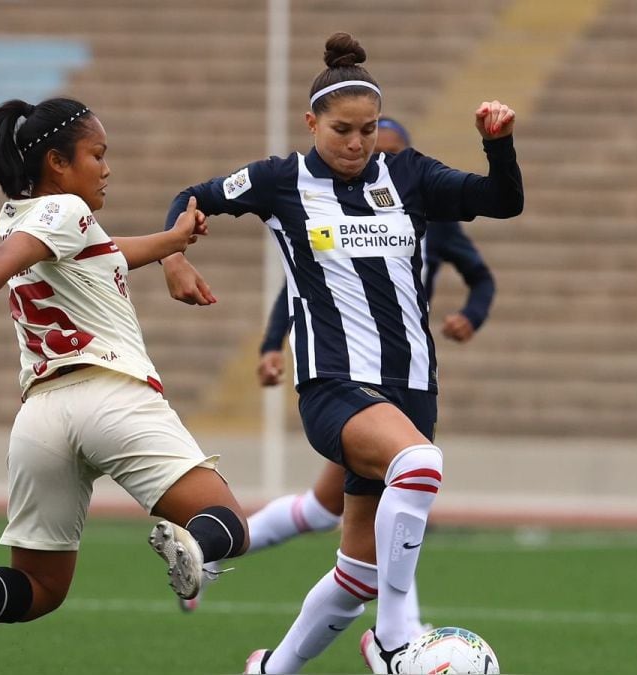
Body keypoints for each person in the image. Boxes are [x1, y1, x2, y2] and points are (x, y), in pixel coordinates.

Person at [160, 33, 522, 674]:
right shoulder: (280, 181)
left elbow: (502, 201)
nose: (357, 143)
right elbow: (193, 197)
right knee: (420, 464)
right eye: (342, 129)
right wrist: (174, 258)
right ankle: (393, 640)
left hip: (412, 386)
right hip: (334, 385)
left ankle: (271, 670)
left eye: (368, 129)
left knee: (355, 574)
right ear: (312, 122)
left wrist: (499, 144)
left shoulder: (408, 175)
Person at [0, 97, 250, 674]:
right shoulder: (63, 210)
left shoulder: (28, 214)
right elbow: (6, 258)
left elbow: (107, 255)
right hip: (111, 395)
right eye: (97, 154)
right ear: (57, 164)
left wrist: (172, 243)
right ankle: (192, 546)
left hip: (41, 418)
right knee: (227, 525)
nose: (107, 168)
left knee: (40, 586)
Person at [183, 116, 497, 621]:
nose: (361, 158)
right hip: (350, 377)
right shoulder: (320, 202)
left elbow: (482, 278)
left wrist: (471, 316)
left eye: (378, 147)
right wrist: (271, 342)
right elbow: (305, 281)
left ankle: (211, 558)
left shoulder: (431, 216)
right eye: (351, 142)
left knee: (325, 508)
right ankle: (399, 636)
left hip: (403, 376)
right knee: (401, 492)